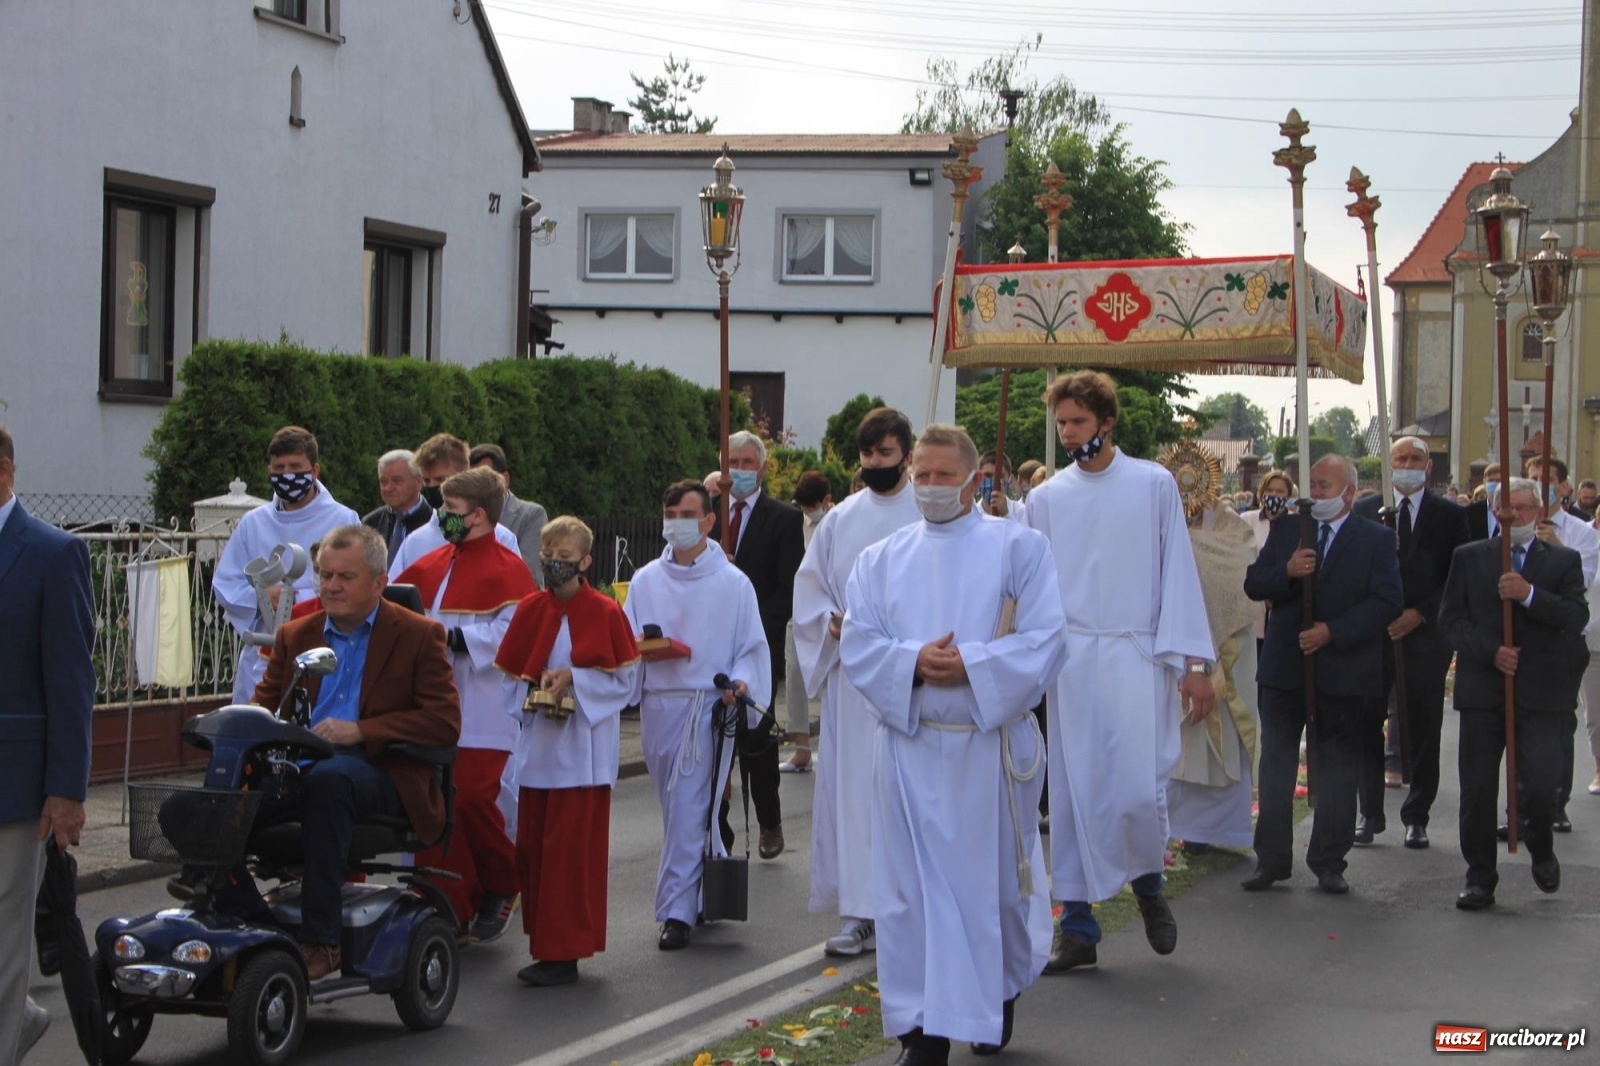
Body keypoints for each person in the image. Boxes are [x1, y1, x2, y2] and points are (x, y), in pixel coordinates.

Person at [841, 423, 1065, 1063]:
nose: (931, 487)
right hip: (911, 748)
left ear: (975, 480)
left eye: (945, 475)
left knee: (989, 892)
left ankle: (996, 995)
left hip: (985, 749)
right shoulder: (880, 560)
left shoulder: (1019, 550)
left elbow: (1048, 638)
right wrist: (912, 661)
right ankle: (921, 1032)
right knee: (909, 897)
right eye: (923, 475)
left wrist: (974, 664)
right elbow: (860, 642)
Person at [1024, 370, 1215, 972]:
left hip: (1137, 656)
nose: (1068, 431)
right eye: (1061, 423)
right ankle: (1078, 929)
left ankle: (1147, 886)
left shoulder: (1153, 485)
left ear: (1106, 423)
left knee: (1135, 790)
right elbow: (1031, 583)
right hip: (1073, 663)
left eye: (1077, 421)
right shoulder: (1046, 498)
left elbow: (1177, 571)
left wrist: (1192, 663)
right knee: (1077, 795)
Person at [251, 525, 462, 980]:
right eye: (325, 575)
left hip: (381, 770)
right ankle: (232, 915)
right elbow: (262, 708)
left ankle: (322, 944)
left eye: (345, 577)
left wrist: (362, 731)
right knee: (225, 792)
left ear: (380, 583)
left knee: (331, 782)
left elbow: (444, 723)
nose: (331, 586)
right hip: (300, 768)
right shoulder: (296, 634)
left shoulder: (419, 635)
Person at [793, 407, 921, 958]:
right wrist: (831, 624)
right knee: (855, 795)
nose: (874, 465)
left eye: (885, 455)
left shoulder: (929, 512)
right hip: (855, 681)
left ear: (907, 456)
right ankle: (861, 912)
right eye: (867, 456)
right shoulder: (841, 520)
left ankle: (916, 908)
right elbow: (812, 589)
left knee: (910, 795)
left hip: (915, 678)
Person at [1242, 455, 1402, 895]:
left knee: (1336, 765)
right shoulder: (1291, 529)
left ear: (1349, 492)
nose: (1316, 493)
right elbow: (1255, 583)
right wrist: (1288, 572)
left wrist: (1333, 632)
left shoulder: (1376, 539)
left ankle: (1329, 860)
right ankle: (1271, 859)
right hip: (1285, 667)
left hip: (1342, 668)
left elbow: (1387, 601)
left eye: (1325, 486)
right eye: (1311, 484)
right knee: (1275, 763)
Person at [623, 479, 769, 951]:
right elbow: (627, 645)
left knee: (690, 808)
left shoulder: (733, 582)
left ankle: (677, 912)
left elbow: (751, 647)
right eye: (669, 515)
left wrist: (743, 682)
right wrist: (640, 657)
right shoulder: (645, 580)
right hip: (659, 708)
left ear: (708, 521)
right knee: (684, 813)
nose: (676, 524)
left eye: (686, 516)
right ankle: (709, 890)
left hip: (707, 710)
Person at [495, 517, 640, 986]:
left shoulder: (604, 612)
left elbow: (626, 680)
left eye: (564, 560)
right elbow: (510, 676)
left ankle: (566, 954)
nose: (555, 566)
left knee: (569, 858)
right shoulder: (530, 610)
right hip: (539, 749)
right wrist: (536, 686)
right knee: (534, 852)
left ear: (585, 562)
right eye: (548, 558)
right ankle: (545, 942)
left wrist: (576, 678)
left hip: (582, 753)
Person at [397, 468, 535, 942]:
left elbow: (513, 635)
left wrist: (457, 637)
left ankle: (502, 882)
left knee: (473, 799)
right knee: (432, 804)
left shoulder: (508, 567)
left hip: (483, 710)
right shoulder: (434, 560)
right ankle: (444, 905)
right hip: (432, 706)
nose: (442, 518)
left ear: (478, 515)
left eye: (451, 511)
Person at [1440, 479, 1588, 910]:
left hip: (1541, 694)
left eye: (1524, 509)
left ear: (1538, 513)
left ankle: (1541, 847)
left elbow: (1575, 616)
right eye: (1507, 509)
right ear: (1495, 512)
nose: (1515, 517)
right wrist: (1491, 652)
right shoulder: (1469, 558)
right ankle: (1480, 876)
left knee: (1541, 786)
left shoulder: (1563, 561)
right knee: (1479, 789)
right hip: (1485, 690)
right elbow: (1451, 620)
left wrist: (1529, 596)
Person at [0, 424, 94, 1064]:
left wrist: (66, 789)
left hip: (16, 784)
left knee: (4, 938)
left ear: (3, 471)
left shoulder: (52, 553)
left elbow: (70, 681)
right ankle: (23, 1019)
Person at [1351, 437, 1471, 850]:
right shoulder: (1367, 511)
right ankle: (1369, 812)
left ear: (1428, 467)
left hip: (1426, 635)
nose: (1407, 464)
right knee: (1367, 721)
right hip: (1376, 635)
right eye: (1400, 458)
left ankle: (1417, 815)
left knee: (1422, 725)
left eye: (1415, 458)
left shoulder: (1451, 517)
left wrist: (1420, 612)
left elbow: (1459, 577)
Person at [214, 426, 360, 703]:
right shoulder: (253, 523)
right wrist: (261, 597)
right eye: (278, 467)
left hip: (324, 642)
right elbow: (226, 582)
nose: (286, 474)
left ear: (314, 471)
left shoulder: (343, 519)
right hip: (265, 646)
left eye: (295, 466)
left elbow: (359, 581)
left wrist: (309, 600)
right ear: (269, 470)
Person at [710, 431, 804, 860]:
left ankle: (769, 820)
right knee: (711, 746)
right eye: (734, 462)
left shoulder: (782, 519)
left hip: (755, 644)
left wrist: (749, 616)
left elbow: (788, 588)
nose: (741, 470)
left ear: (763, 469)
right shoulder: (704, 511)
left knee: (756, 742)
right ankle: (718, 832)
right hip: (709, 643)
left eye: (749, 463)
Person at [1166, 490, 1261, 854]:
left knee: (1220, 736)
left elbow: (1241, 566)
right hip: (1174, 646)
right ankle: (1178, 829)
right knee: (1176, 739)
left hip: (1224, 645)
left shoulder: (1230, 525)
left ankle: (1220, 829)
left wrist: (1192, 549)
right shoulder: (1161, 521)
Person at [1525, 455, 1599, 832]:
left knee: (1558, 720)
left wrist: (1554, 547)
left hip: (1563, 641)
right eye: (1533, 478)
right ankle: (1523, 800)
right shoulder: (1515, 525)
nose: (1540, 484)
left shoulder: (1582, 533)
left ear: (1564, 487)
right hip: (1522, 638)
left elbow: (1580, 585)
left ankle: (1556, 800)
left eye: (1547, 479)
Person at [388, 433, 521, 580]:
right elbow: (395, 594)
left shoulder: (502, 538)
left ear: (464, 475)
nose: (433, 487)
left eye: (440, 479)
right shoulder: (414, 543)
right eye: (426, 481)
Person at [780, 470, 834, 774]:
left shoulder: (836, 522)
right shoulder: (795, 523)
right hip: (800, 608)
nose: (806, 512)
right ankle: (801, 747)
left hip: (829, 609)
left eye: (810, 506)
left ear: (825, 500)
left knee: (831, 677)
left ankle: (830, 743)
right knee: (795, 674)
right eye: (801, 506)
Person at [470, 442, 550, 581]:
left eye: (483, 477)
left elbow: (529, 573)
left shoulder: (532, 515)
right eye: (470, 478)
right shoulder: (461, 515)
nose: (476, 486)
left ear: (505, 479)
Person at [1238, 470, 1296, 653]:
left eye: (1280, 491)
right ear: (1261, 492)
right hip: (1252, 602)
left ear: (1288, 495)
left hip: (1283, 604)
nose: (1274, 495)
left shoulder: (1296, 523)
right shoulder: (1247, 520)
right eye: (1270, 490)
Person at [363, 449, 432, 567]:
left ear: (419, 482)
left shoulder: (435, 522)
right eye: (383, 482)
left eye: (397, 481)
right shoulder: (370, 524)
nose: (388, 488)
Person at [977, 450, 1025, 523]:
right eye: (988, 475)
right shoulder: (970, 514)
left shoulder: (1020, 511)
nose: (994, 481)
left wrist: (1006, 514)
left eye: (1000, 476)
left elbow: (1025, 534)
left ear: (1009, 479)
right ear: (978, 478)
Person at [1466, 463, 1501, 541]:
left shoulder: (1513, 509)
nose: (1494, 484)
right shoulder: (1471, 511)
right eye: (1491, 480)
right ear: (1484, 482)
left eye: (1498, 480)